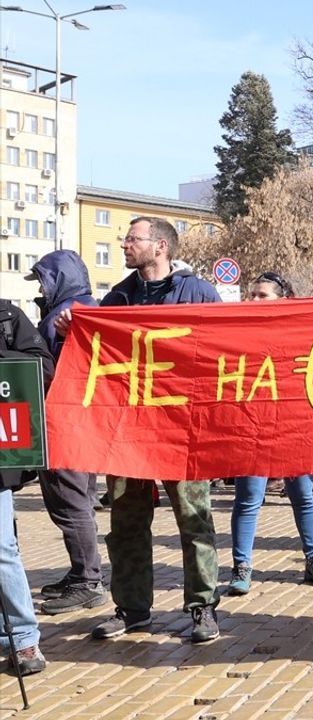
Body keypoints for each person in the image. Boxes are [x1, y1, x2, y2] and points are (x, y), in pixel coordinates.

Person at [61, 217, 225, 644]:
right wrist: (73, 332)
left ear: (161, 247)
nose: (124, 245)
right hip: (128, 433)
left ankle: (202, 607)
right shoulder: (117, 298)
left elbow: (223, 354)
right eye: (125, 238)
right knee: (126, 521)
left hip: (183, 431)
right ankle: (132, 609)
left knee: (194, 519)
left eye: (132, 239)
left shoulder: (197, 293)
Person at [226, 273, 313, 595]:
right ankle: (241, 566)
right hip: (252, 424)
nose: (254, 300)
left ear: (282, 299)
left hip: (294, 426)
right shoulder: (239, 334)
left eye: (262, 296)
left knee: (304, 495)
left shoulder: (299, 332)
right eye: (252, 295)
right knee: (248, 498)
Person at [26, 250, 107, 615]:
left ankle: (88, 581)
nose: (39, 290)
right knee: (80, 502)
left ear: (59, 278)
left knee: (70, 504)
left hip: (64, 425)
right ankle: (81, 573)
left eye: (43, 281)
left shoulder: (70, 313)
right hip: (81, 424)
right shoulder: (84, 307)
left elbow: (59, 370)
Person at [0, 296, 55, 674]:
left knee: (1, 549)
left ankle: (22, 639)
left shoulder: (7, 316)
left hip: (0, 451)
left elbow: (41, 368)